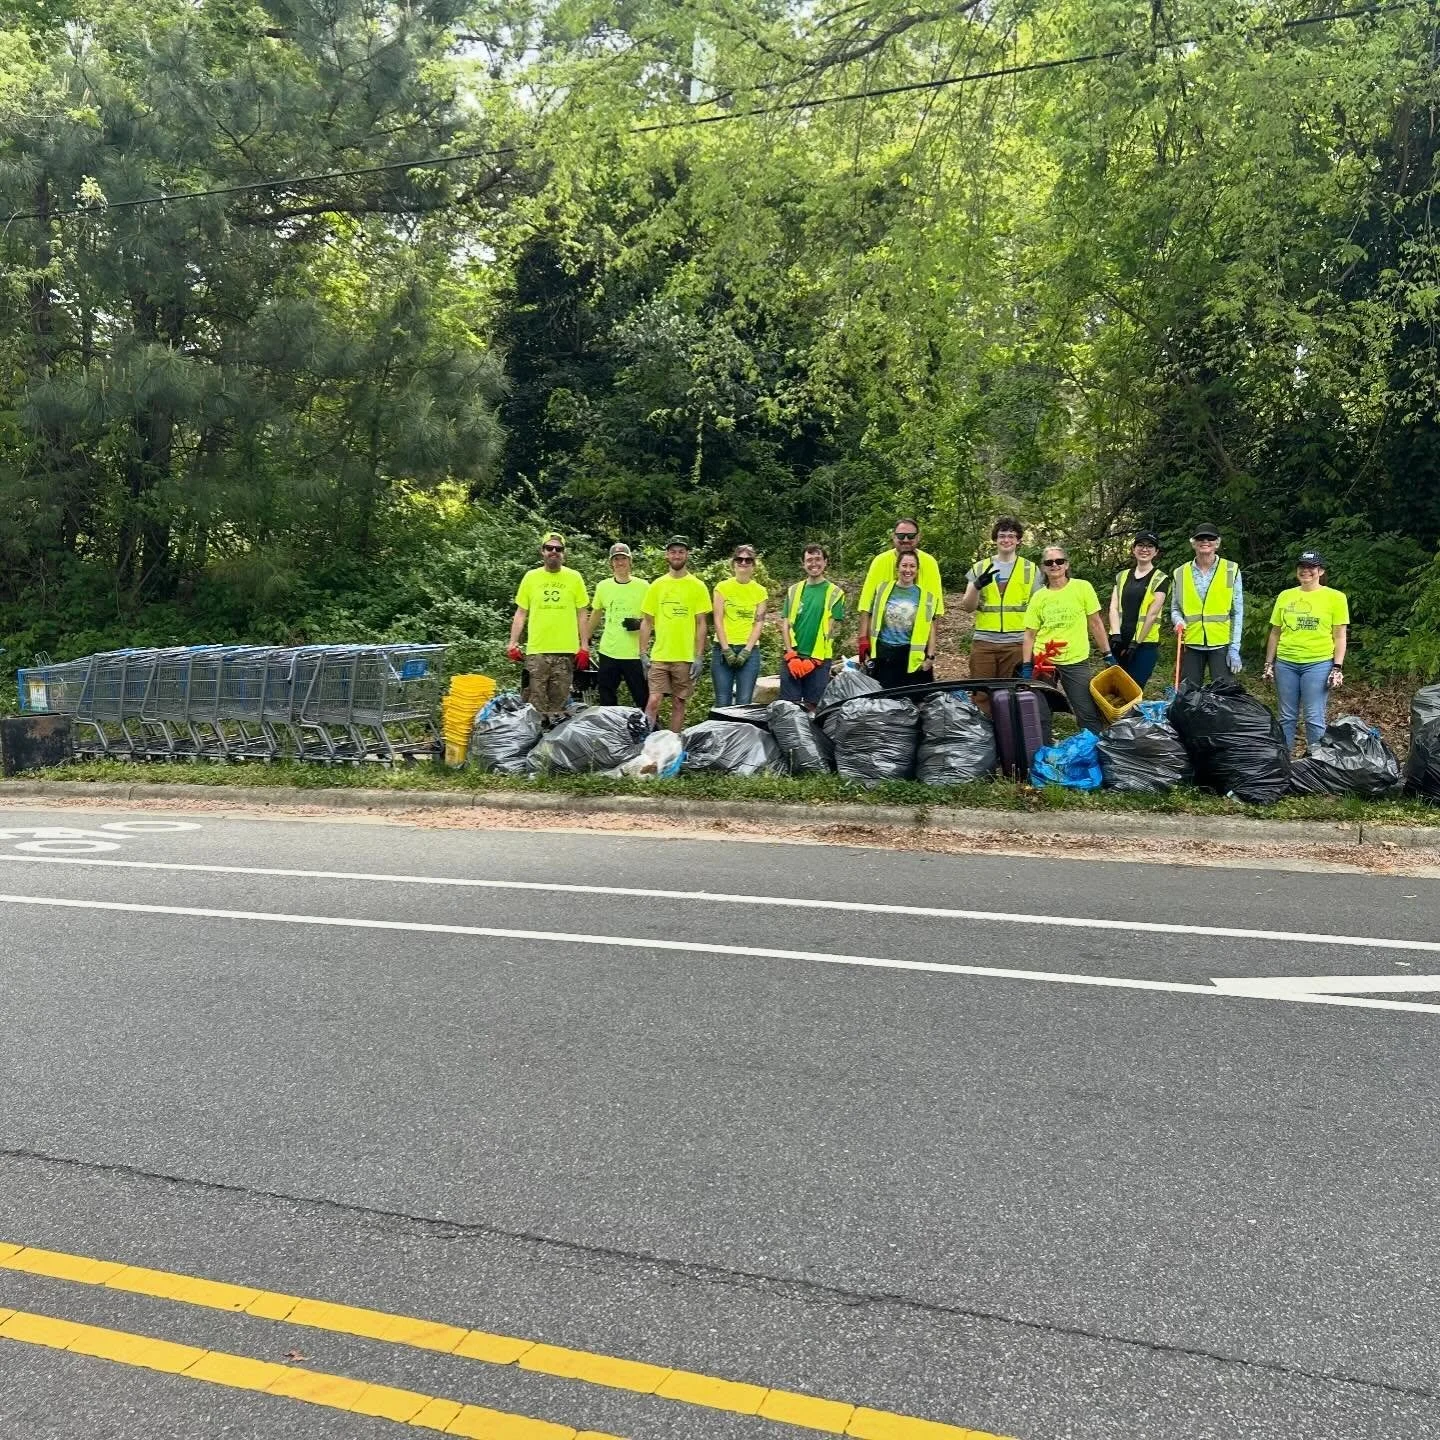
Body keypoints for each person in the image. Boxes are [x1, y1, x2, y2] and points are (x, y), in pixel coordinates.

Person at [1019, 545, 1114, 734]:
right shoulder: (1039, 597)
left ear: (1066, 564)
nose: (1055, 565)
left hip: (1075, 660)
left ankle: (1092, 751)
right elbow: (1030, 634)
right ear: (1044, 568)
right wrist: (1027, 664)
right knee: (1040, 710)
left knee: (1086, 711)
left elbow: (1095, 623)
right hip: (1044, 661)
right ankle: (1041, 752)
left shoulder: (1082, 588)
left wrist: (1107, 654)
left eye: (1059, 561)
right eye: (1049, 562)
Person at [1263, 549, 1349, 752]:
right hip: (1286, 663)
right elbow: (1275, 633)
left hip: (1318, 663)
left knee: (1313, 717)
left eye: (1312, 567)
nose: (1306, 571)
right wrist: (1269, 663)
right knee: (1286, 716)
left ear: (1320, 571)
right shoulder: (1285, 596)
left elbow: (1339, 635)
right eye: (1302, 567)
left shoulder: (1335, 598)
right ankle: (1284, 761)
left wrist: (1337, 667)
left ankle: (1316, 763)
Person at [507, 532, 590, 728]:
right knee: (533, 704)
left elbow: (582, 614)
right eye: (549, 548)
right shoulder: (531, 577)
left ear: (564, 553)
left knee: (558, 706)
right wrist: (512, 642)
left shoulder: (574, 578)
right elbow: (521, 613)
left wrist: (584, 646)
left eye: (558, 549)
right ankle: (529, 750)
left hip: (565, 652)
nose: (554, 552)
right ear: (542, 552)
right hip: (537, 652)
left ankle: (550, 754)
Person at [959, 516, 1039, 714]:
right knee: (981, 694)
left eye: (1011, 536)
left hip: (1016, 643)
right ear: (995, 539)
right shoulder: (979, 568)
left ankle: (1008, 738)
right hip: (985, 642)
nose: (1006, 540)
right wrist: (977, 586)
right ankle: (985, 739)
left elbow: (1038, 608)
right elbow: (968, 607)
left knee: (1010, 694)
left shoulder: (1030, 569)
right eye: (1002, 535)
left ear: (1019, 540)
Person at [639, 536, 710, 733]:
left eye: (681, 551)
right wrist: (642, 653)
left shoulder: (697, 586)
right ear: (667, 555)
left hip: (684, 656)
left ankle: (673, 744)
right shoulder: (657, 585)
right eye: (673, 552)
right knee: (654, 700)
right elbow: (646, 621)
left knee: (679, 702)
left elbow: (701, 623)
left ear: (687, 555)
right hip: (660, 655)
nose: (676, 555)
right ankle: (644, 744)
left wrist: (699, 656)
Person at [856, 518, 944, 669]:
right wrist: (863, 640)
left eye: (910, 536)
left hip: (915, 646)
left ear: (918, 537)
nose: (905, 540)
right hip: (884, 644)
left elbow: (934, 614)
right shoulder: (880, 561)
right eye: (901, 536)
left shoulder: (929, 563)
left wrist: (930, 653)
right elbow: (866, 606)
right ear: (893, 536)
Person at [1171, 522, 1244, 684]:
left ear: (1217, 543)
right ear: (1193, 543)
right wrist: (1178, 621)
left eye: (1210, 538)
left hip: (1221, 645)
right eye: (1200, 538)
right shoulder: (1180, 573)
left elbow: (1237, 612)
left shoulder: (1231, 569)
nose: (1205, 541)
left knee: (1224, 696)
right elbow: (1175, 609)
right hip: (1191, 644)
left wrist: (1234, 648)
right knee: (1189, 696)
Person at [779, 544, 846, 710]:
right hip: (793, 656)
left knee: (814, 708)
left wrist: (816, 660)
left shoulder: (835, 593)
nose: (813, 564)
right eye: (809, 560)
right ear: (803, 564)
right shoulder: (793, 591)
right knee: (789, 709)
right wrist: (790, 655)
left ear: (825, 562)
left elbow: (831, 631)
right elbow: (786, 625)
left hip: (818, 661)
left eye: (818, 559)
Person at [583, 542, 648, 709]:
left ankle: (650, 730)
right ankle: (609, 732)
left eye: (623, 559)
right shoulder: (603, 586)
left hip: (634, 653)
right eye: (616, 559)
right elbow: (596, 613)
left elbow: (653, 618)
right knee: (607, 699)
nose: (620, 563)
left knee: (643, 698)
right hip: (609, 652)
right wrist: (584, 639)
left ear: (630, 561)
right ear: (611, 563)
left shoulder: (644, 586)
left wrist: (640, 624)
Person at [1107, 531, 1169, 687]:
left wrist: (1136, 643)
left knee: (1133, 689)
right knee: (1112, 688)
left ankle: (1132, 713)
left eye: (1150, 546)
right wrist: (1115, 635)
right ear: (1133, 549)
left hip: (1144, 645)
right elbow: (1114, 606)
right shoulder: (1122, 576)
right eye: (1140, 545)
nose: (1144, 549)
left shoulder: (1160, 578)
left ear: (1156, 552)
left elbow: (1152, 614)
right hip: (1119, 640)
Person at [869, 550, 936, 689]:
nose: (908, 570)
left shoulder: (926, 596)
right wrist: (867, 647)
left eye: (912, 566)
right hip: (884, 652)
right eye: (904, 565)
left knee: (912, 700)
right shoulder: (882, 589)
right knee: (884, 699)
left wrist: (930, 657)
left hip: (909, 655)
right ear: (897, 567)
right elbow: (872, 616)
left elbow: (930, 627)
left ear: (917, 570)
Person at [711, 546, 767, 706]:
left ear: (753, 565)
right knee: (722, 701)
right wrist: (726, 649)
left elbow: (759, 622)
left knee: (744, 702)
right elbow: (718, 619)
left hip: (749, 650)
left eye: (748, 560)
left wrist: (747, 651)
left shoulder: (760, 591)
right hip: (723, 649)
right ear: (733, 563)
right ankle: (722, 731)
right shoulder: (722, 587)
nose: (743, 563)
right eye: (739, 559)